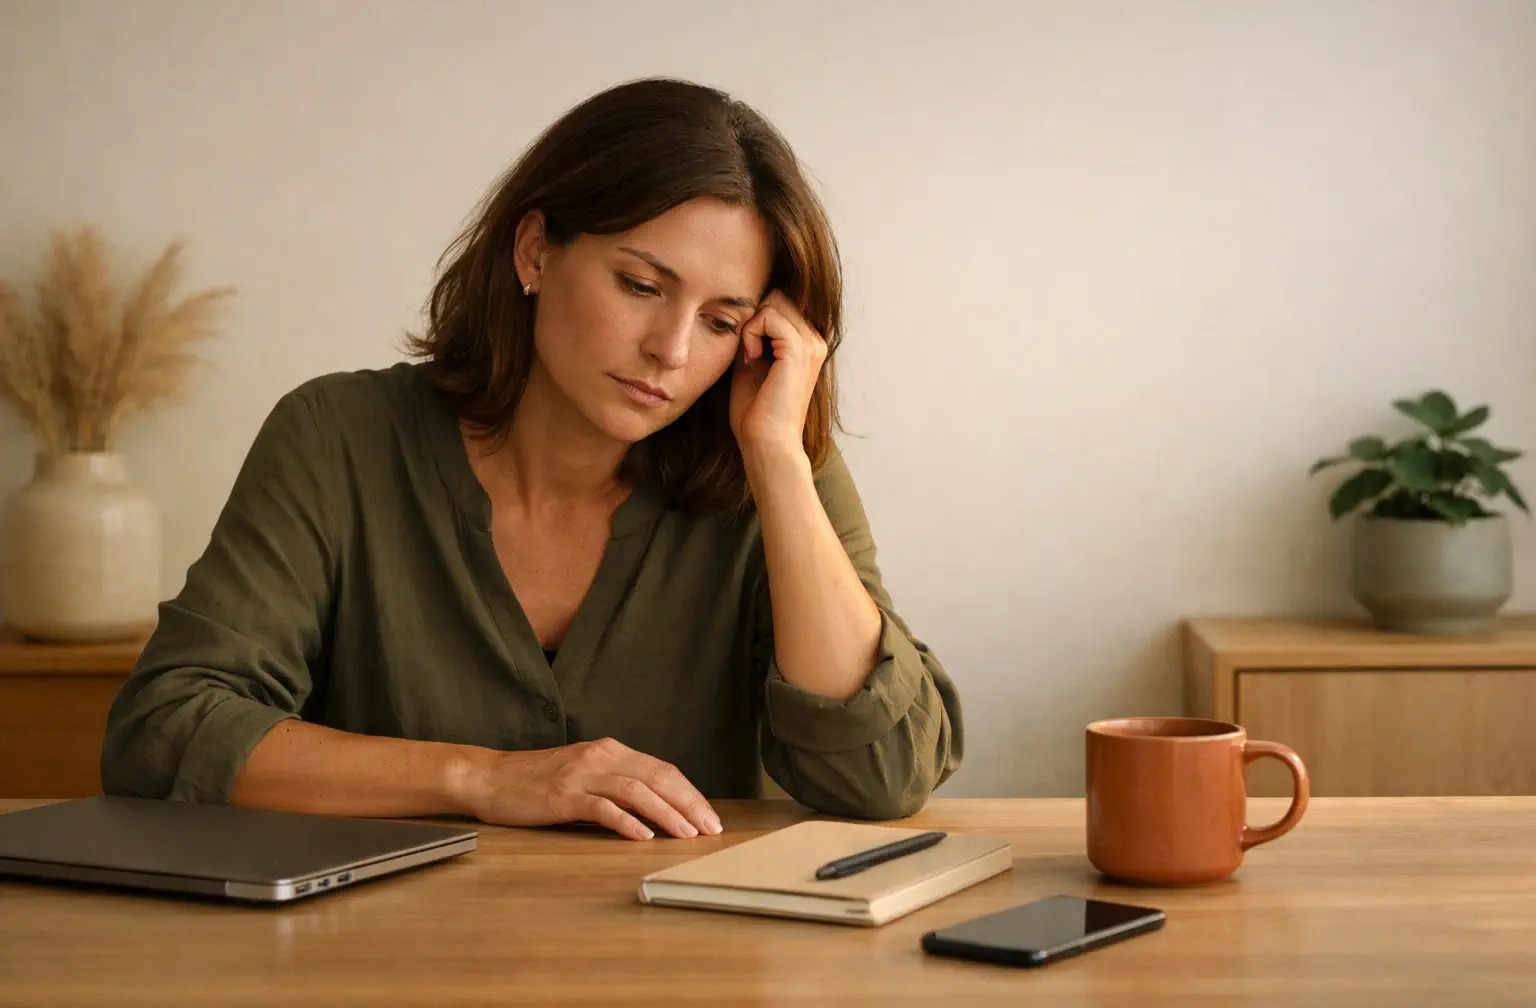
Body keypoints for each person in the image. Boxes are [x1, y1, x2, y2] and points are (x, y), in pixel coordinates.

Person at [100, 77, 963, 842]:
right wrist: (482, 777)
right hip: (367, 963)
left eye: (721, 320)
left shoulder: (767, 466)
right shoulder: (338, 437)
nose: (670, 349)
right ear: (535, 252)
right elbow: (166, 732)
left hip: (688, 968)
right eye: (641, 285)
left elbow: (881, 776)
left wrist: (778, 457)